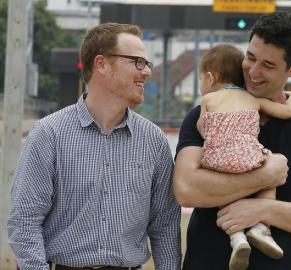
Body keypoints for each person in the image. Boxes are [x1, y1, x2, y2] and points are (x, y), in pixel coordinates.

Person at [174, 11, 291, 270]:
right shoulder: (206, 115)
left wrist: (261, 210)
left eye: (268, 65)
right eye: (250, 58)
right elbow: (185, 189)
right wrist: (266, 176)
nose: (253, 71)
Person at [8, 23, 181, 270]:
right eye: (137, 62)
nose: (146, 72)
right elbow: (24, 220)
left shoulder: (154, 141)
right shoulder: (49, 134)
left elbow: (164, 226)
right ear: (101, 64)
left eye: (147, 64)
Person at [196, 44, 291, 270]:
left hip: (216, 160)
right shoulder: (252, 99)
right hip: (248, 157)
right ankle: (261, 228)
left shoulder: (208, 101)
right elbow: (287, 112)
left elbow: (202, 128)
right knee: (272, 166)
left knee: (222, 185)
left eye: (201, 81)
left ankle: (237, 238)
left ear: (211, 77)